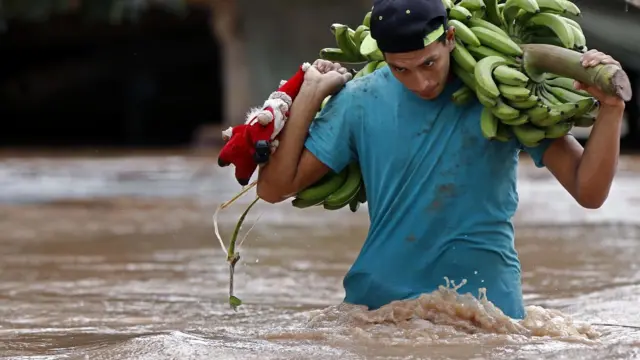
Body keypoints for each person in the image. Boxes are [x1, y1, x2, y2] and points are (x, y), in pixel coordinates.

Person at [256, 0, 626, 319]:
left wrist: (610, 109)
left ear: (449, 39)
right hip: (379, 307)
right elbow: (273, 188)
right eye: (401, 69)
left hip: (488, 308)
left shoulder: (501, 90)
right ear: (384, 57)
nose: (420, 82)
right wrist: (309, 96)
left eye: (428, 63)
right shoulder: (359, 100)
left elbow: (588, 191)